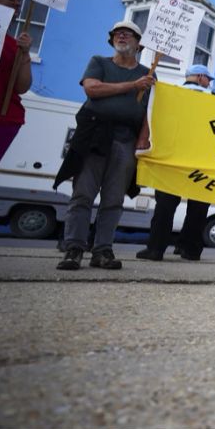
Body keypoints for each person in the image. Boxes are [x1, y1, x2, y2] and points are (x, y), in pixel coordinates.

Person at [55, 20, 155, 270]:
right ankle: (74, 249)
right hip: (94, 134)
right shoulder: (99, 62)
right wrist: (133, 85)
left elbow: (149, 112)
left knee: (113, 199)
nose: (122, 36)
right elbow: (92, 89)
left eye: (128, 34)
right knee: (83, 194)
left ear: (138, 44)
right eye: (117, 34)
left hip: (126, 139)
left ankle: (102, 250)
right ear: (111, 40)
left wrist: (143, 138)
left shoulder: (148, 74)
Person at [135, 64, 215, 262]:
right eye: (208, 78)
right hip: (201, 158)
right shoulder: (214, 100)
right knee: (198, 205)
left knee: (165, 204)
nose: (210, 82)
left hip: (171, 156)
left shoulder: (170, 94)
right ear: (199, 77)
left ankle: (155, 248)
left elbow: (155, 118)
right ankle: (190, 249)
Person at [0, 0, 32, 163]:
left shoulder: (14, 45)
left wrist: (25, 53)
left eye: (19, 1)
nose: (16, 3)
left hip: (3, 118)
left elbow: (22, 87)